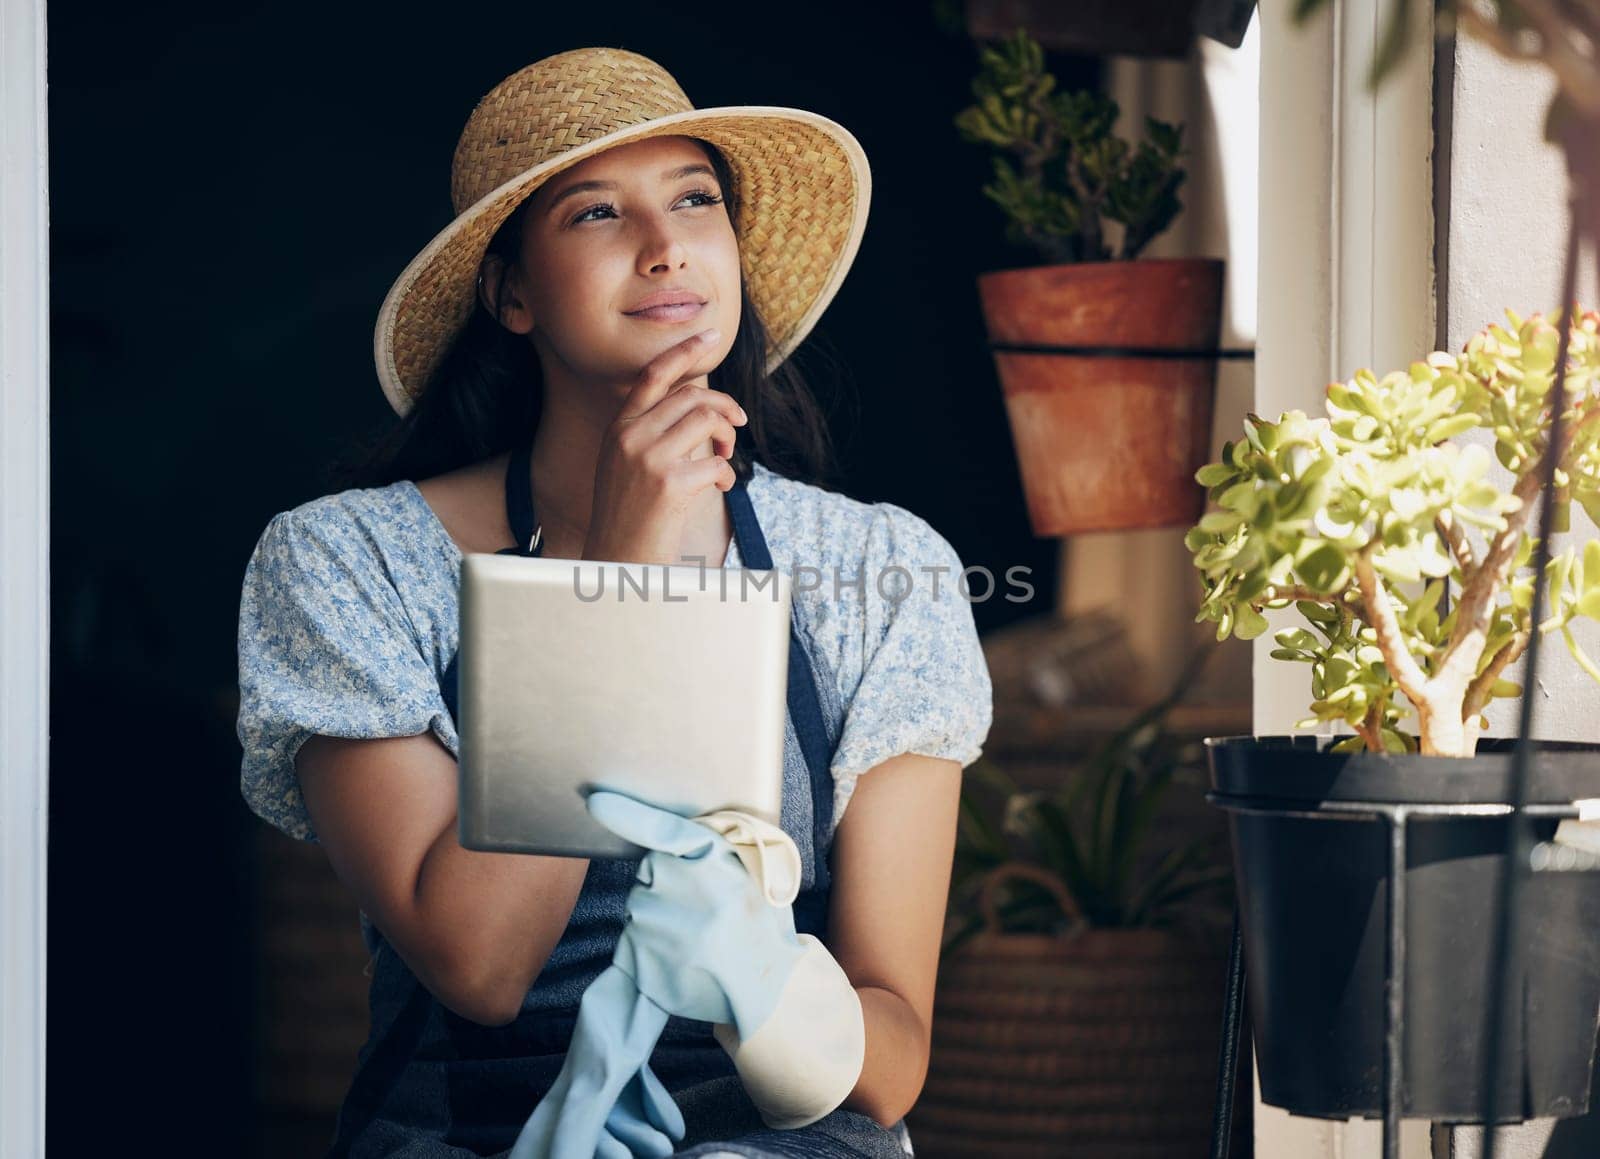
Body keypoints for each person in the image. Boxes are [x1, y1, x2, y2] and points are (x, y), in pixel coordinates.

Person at [235, 45, 994, 1158]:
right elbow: (480, 964)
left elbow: (888, 1069)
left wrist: (770, 983)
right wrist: (624, 575)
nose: (666, 244)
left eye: (695, 198)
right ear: (510, 293)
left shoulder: (881, 570)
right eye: (596, 213)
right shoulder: (350, 564)